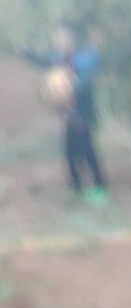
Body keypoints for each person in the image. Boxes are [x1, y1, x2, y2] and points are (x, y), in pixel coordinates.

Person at [23, 23, 108, 204]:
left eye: (60, 39)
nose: (56, 43)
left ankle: (100, 189)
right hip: (71, 115)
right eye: (55, 40)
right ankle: (76, 189)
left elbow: (86, 82)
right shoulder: (58, 58)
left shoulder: (84, 58)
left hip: (83, 114)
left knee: (87, 152)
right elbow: (43, 60)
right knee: (69, 152)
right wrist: (25, 51)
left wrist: (67, 88)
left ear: (70, 40)